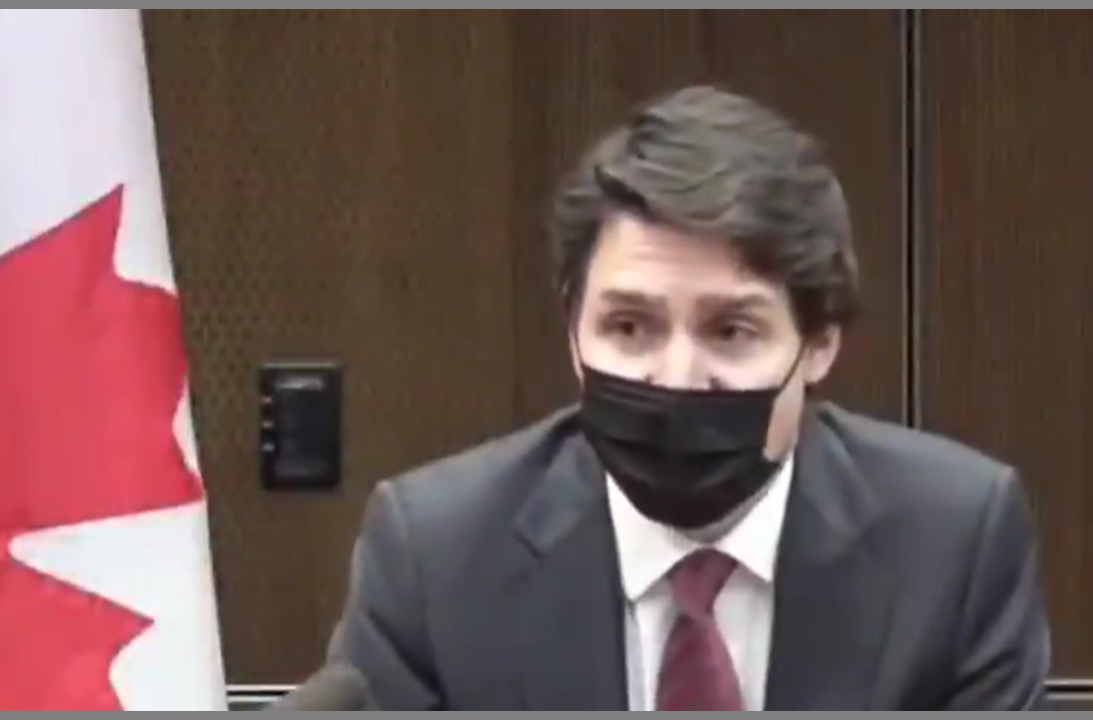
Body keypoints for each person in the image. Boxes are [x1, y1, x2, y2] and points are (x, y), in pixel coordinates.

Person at [325, 85, 1051, 710]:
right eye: (629, 327)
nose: (676, 379)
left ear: (819, 344)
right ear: (572, 334)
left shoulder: (953, 546)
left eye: (731, 331)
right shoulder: (437, 557)